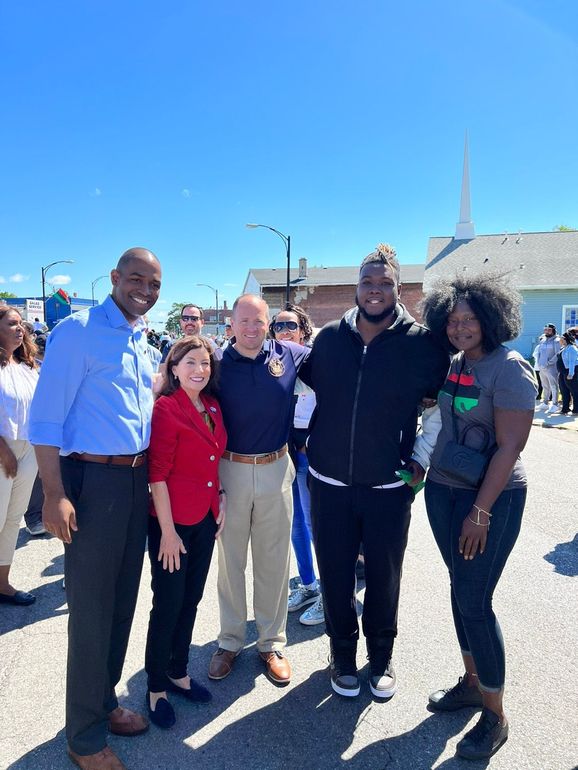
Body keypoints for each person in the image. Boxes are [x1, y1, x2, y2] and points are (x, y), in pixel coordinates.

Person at [29, 247, 162, 770]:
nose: (145, 291)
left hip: (134, 481)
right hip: (92, 481)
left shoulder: (141, 337)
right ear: (114, 278)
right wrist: (55, 494)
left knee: (122, 601)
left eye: (153, 284)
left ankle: (103, 702)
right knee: (90, 612)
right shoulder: (78, 330)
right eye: (136, 279)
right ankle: (82, 737)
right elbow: (45, 419)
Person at [298, 244, 449, 700]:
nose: (376, 291)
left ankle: (380, 657)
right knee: (336, 574)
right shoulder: (327, 339)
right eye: (368, 282)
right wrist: (302, 441)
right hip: (328, 484)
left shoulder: (422, 344)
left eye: (385, 283)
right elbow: (305, 395)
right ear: (357, 287)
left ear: (398, 288)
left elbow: (438, 412)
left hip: (388, 487)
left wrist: (420, 459)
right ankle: (342, 655)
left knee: (384, 577)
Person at [421, 273, 536, 761]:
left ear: (491, 318)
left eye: (470, 319)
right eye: (453, 320)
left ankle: (495, 714)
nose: (461, 327)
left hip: (490, 500)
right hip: (442, 490)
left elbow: (510, 446)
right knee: (458, 590)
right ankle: (472, 684)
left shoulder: (509, 368)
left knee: (475, 601)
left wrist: (481, 512)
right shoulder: (454, 363)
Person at [208, 294, 309, 686]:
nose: (252, 329)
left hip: (275, 467)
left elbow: (335, 378)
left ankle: (271, 642)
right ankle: (230, 641)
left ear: (270, 323)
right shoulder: (215, 364)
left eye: (260, 321)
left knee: (273, 561)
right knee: (230, 561)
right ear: (231, 323)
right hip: (230, 470)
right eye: (244, 321)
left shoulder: (291, 355)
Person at [145, 336, 227, 729]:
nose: (199, 369)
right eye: (191, 362)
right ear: (174, 368)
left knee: (191, 599)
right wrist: (166, 532)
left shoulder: (211, 405)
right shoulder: (166, 408)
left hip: (205, 518)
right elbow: (157, 475)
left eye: (205, 363)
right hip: (172, 524)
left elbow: (213, 458)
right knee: (168, 604)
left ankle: (178, 672)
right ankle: (156, 686)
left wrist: (221, 496)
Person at [269, 304, 324, 627]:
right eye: (278, 327)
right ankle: (308, 584)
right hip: (286, 454)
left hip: (314, 455)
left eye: (290, 325)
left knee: (319, 527)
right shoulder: (274, 366)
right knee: (295, 524)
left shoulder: (318, 361)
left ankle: (332, 595)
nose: (284, 331)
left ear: (303, 329)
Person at [0, 307, 39, 605]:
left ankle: (3, 584)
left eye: (21, 324)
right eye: (12, 323)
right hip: (4, 449)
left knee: (13, 519)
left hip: (29, 449)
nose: (20, 328)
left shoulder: (28, 365)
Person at [535, 323, 561, 413]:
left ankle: (555, 404)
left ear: (553, 330)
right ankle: (545, 403)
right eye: (545, 329)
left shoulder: (557, 341)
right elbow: (539, 353)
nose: (547, 331)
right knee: (545, 386)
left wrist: (549, 363)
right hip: (542, 367)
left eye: (549, 329)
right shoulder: (542, 340)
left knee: (553, 386)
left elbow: (558, 354)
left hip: (552, 368)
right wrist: (539, 362)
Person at [557, 331, 578, 415]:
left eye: (560, 339)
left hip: (570, 372)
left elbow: (572, 362)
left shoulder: (572, 348)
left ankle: (576, 409)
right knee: (563, 391)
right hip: (563, 372)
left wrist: (571, 374)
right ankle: (565, 408)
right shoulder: (563, 348)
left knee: (574, 391)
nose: (559, 340)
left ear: (565, 339)